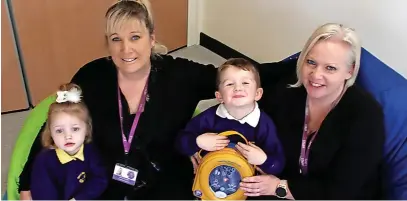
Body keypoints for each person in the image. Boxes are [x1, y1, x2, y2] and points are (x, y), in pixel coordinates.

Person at [16, 0, 297, 200]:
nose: (126, 49)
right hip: (105, 176)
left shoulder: (179, 75)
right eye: (116, 39)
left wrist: (297, 65)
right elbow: (53, 126)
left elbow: (237, 77)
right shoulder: (93, 76)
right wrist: (26, 184)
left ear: (151, 39)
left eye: (135, 37)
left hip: (166, 176)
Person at [240, 23, 385, 199]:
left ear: (350, 71)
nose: (316, 75)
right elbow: (246, 117)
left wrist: (278, 187)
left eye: (330, 68)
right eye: (311, 62)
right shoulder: (288, 90)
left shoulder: (366, 116)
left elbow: (342, 191)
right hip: (279, 182)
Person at [176, 58, 285, 176]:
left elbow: (278, 164)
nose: (238, 88)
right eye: (230, 84)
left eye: (245, 83)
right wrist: (197, 142)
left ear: (258, 93)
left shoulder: (264, 124)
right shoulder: (208, 118)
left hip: (247, 184)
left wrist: (263, 160)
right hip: (209, 178)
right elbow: (180, 142)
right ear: (219, 96)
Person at [30, 83, 108, 200]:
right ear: (50, 132)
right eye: (59, 131)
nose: (68, 136)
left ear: (87, 129)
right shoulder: (44, 161)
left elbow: (100, 179)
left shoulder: (90, 151)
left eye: (75, 129)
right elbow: (43, 194)